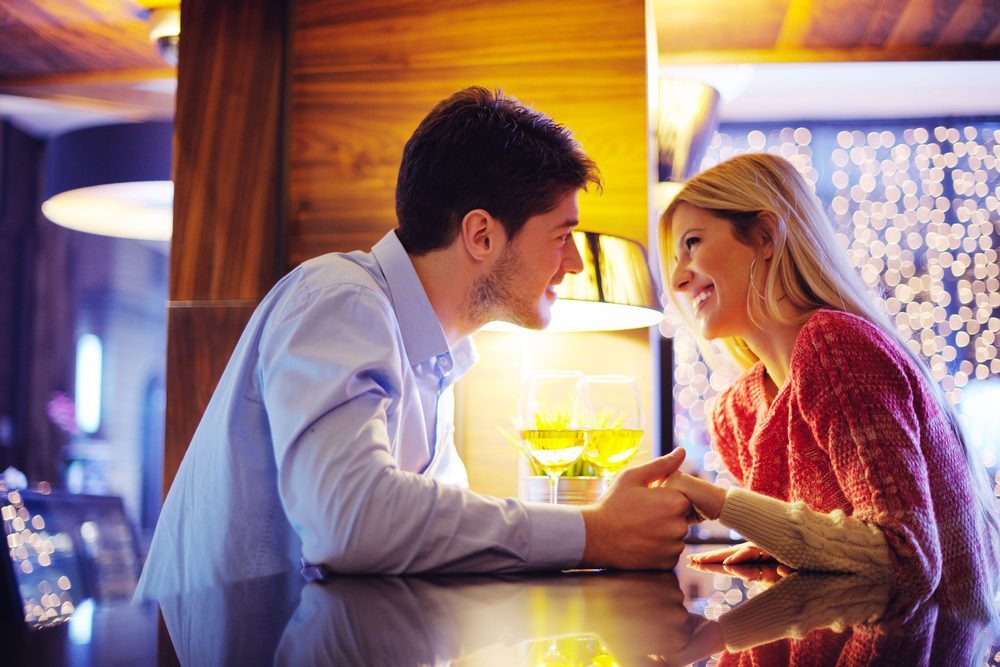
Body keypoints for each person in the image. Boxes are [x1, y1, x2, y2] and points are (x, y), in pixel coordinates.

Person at [136, 87, 691, 598]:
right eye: (562, 235)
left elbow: (426, 535)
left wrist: (598, 531)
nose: (572, 263)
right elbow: (350, 519)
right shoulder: (340, 299)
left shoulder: (434, 359)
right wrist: (591, 533)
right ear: (481, 235)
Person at [657, 153, 1000, 616]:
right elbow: (833, 556)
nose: (679, 279)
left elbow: (906, 558)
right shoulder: (736, 415)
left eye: (692, 244)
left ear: (764, 236)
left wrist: (722, 503)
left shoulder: (836, 346)